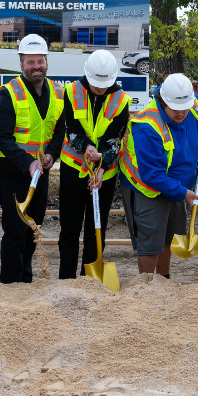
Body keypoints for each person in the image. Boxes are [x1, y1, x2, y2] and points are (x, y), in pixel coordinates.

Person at [120, 73, 198, 278]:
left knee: (169, 236)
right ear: (163, 101)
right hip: (146, 186)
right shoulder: (147, 126)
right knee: (151, 237)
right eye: (175, 110)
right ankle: (146, 284)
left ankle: (163, 281)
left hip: (177, 184)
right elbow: (152, 175)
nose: (181, 114)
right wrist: (184, 193)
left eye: (184, 109)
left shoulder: (192, 104)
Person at [0, 34, 65, 284]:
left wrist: (52, 155)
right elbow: (1, 138)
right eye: (30, 62)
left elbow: (59, 131)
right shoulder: (7, 94)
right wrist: (27, 162)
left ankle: (26, 279)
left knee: (34, 228)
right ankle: (11, 283)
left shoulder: (57, 92)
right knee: (14, 232)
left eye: (40, 61)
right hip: (14, 176)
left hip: (40, 175)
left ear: (47, 62)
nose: (36, 66)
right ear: (21, 64)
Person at [57, 50, 130, 279]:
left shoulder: (121, 100)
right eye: (96, 83)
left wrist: (102, 168)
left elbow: (114, 139)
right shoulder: (70, 91)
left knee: (96, 229)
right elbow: (71, 129)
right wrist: (87, 147)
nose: (100, 88)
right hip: (73, 171)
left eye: (104, 84)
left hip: (103, 178)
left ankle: (89, 279)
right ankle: (66, 279)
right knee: (69, 228)